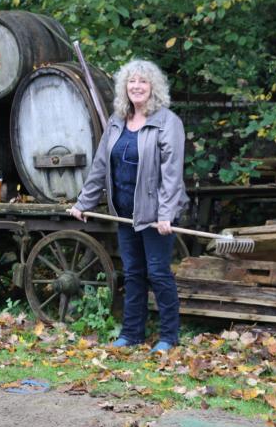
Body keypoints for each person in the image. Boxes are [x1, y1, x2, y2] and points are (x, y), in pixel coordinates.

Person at [68, 59, 189, 353]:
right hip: (124, 213)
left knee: (158, 273)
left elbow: (172, 174)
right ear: (125, 87)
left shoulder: (168, 122)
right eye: (131, 81)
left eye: (143, 81)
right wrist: (83, 202)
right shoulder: (116, 121)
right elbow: (101, 165)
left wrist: (166, 214)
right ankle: (132, 333)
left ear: (153, 87)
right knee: (133, 273)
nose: (136, 86)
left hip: (155, 215)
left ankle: (169, 337)